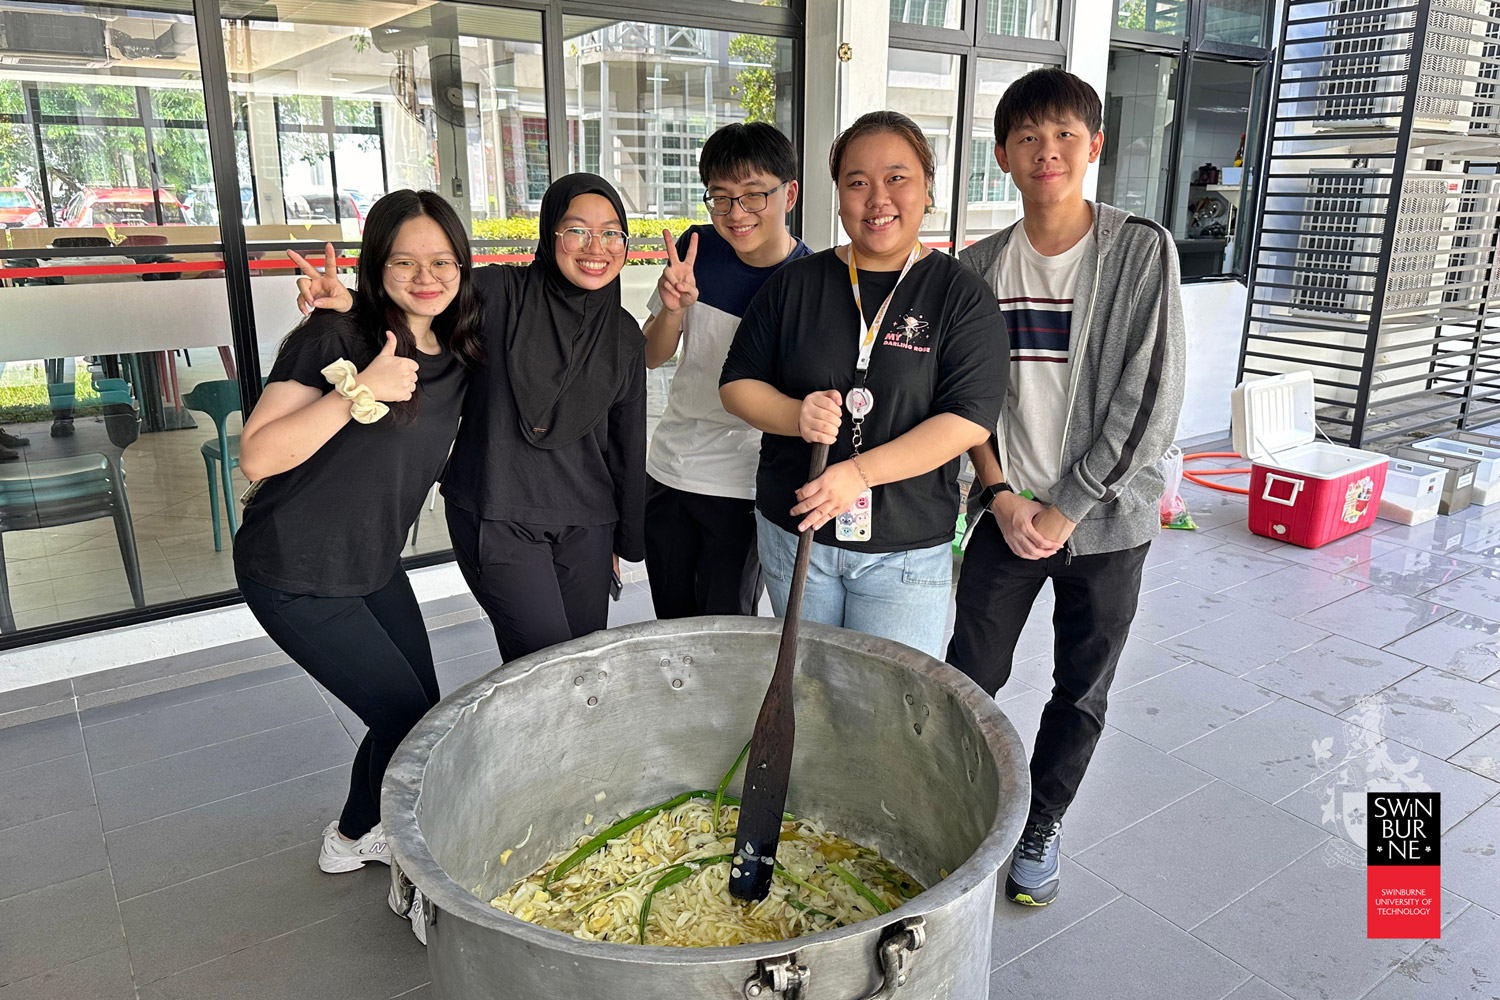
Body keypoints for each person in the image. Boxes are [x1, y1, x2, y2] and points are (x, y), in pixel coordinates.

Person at [946, 68, 1186, 907]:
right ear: (1005, 155)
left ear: (1094, 144)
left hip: (1107, 526)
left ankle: (1042, 822)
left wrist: (1066, 506)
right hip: (1004, 513)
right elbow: (966, 402)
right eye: (1026, 138)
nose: (1045, 152)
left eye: (1062, 136)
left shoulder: (1139, 249)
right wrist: (1003, 496)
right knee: (969, 674)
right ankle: (961, 814)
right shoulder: (976, 266)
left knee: (1081, 687)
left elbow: (1148, 398)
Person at [235, 192, 481, 918]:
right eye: (404, 261)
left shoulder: (457, 349)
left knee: (409, 713)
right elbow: (257, 456)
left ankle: (350, 837)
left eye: (442, 261)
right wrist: (357, 391)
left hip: (370, 564)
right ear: (378, 265)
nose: (426, 275)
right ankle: (405, 863)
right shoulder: (336, 338)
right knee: (410, 718)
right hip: (296, 570)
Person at [296, 174, 646, 663]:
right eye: (577, 230)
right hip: (497, 508)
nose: (596, 247)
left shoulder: (624, 333)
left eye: (612, 233)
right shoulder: (496, 293)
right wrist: (354, 303)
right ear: (550, 235)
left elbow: (627, 441)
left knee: (585, 666)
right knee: (543, 669)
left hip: (587, 521)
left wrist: (623, 538)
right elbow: (424, 306)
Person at [720, 111, 1008, 658]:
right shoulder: (796, 284)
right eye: (858, 182)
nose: (878, 199)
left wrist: (857, 473)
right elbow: (737, 384)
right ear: (838, 195)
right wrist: (794, 415)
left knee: (886, 715)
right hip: (794, 533)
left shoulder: (959, 295)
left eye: (896, 178)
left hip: (903, 550)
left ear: (927, 187)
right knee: (805, 694)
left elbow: (968, 418)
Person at [642, 122, 811, 619]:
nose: (736, 213)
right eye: (721, 197)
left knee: (725, 626)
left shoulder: (809, 281)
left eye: (754, 195)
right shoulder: (696, 251)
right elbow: (650, 356)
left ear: (789, 194)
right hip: (670, 467)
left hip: (744, 483)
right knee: (670, 624)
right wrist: (673, 307)